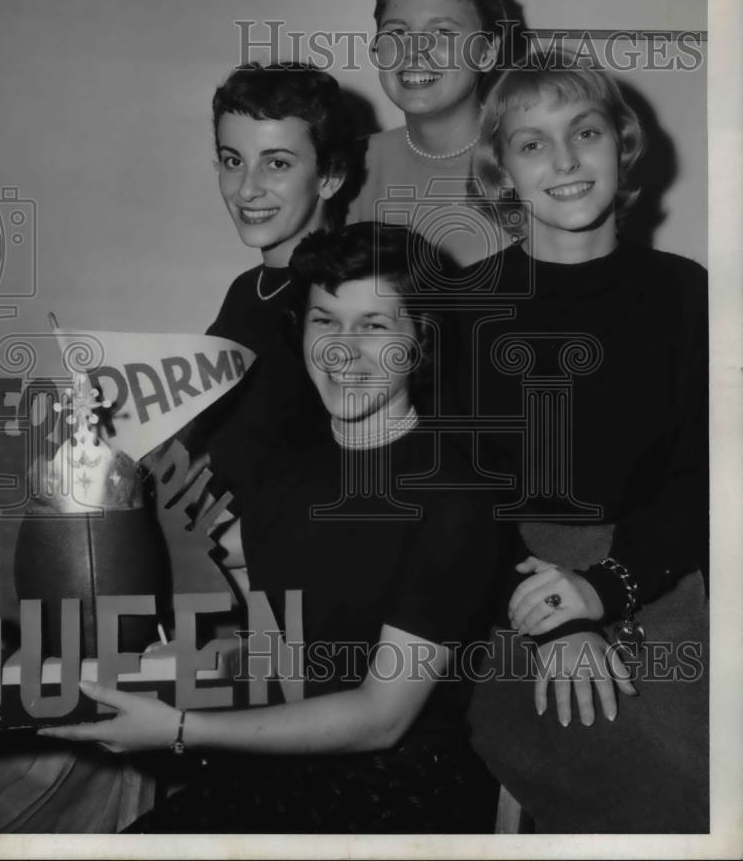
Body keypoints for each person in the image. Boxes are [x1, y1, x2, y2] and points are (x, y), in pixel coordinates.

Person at [40, 222, 504, 833]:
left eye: (374, 325)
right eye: (325, 321)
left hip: (400, 788)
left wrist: (180, 730)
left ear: (421, 341)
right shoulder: (286, 467)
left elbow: (381, 715)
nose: (342, 349)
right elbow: (278, 640)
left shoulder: (457, 492)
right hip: (280, 765)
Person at [460, 57, 709, 833]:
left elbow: (702, 475)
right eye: (531, 144)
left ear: (620, 145)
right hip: (508, 600)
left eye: (585, 132)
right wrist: (559, 621)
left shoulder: (685, 291)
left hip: (661, 578)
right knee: (671, 782)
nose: (565, 161)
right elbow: (453, 504)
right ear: (501, 169)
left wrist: (609, 589)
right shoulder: (459, 310)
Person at [183, 62, 357, 517]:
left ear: (331, 176)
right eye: (232, 161)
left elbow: (367, 476)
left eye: (276, 163)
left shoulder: (350, 293)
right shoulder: (245, 293)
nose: (246, 189)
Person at [348, 0, 510, 266]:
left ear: (488, 51)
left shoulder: (533, 159)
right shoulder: (350, 167)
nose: (414, 51)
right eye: (397, 32)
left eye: (442, 33)